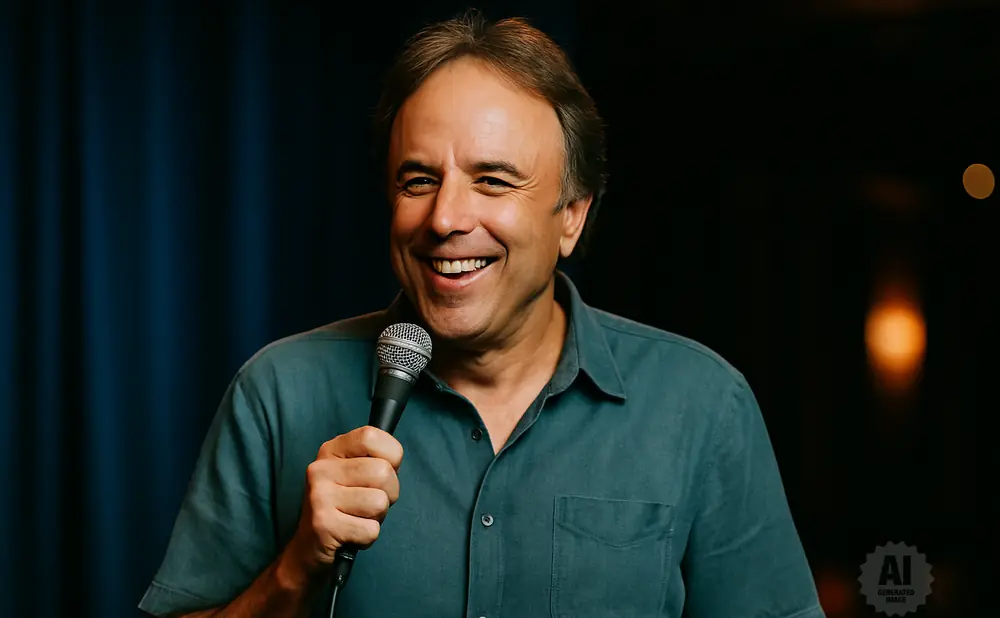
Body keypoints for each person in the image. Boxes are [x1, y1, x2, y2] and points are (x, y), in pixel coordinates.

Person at [139, 11, 825, 618]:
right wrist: (296, 569)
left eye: (492, 180)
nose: (445, 218)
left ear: (573, 218)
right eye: (419, 180)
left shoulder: (701, 406)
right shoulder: (279, 394)